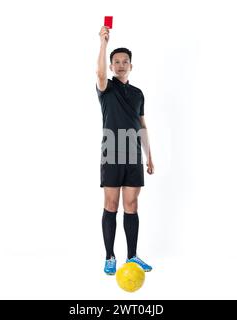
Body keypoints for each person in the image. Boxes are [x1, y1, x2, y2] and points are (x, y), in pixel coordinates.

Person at [96, 25, 154, 275]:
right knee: (111, 205)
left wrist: (149, 157)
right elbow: (98, 73)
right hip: (111, 152)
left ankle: (132, 256)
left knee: (132, 205)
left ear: (131, 65)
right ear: (111, 66)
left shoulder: (138, 93)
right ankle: (110, 256)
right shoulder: (106, 88)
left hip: (133, 156)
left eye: (125, 61)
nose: (120, 65)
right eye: (116, 62)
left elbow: (142, 125)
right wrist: (103, 43)